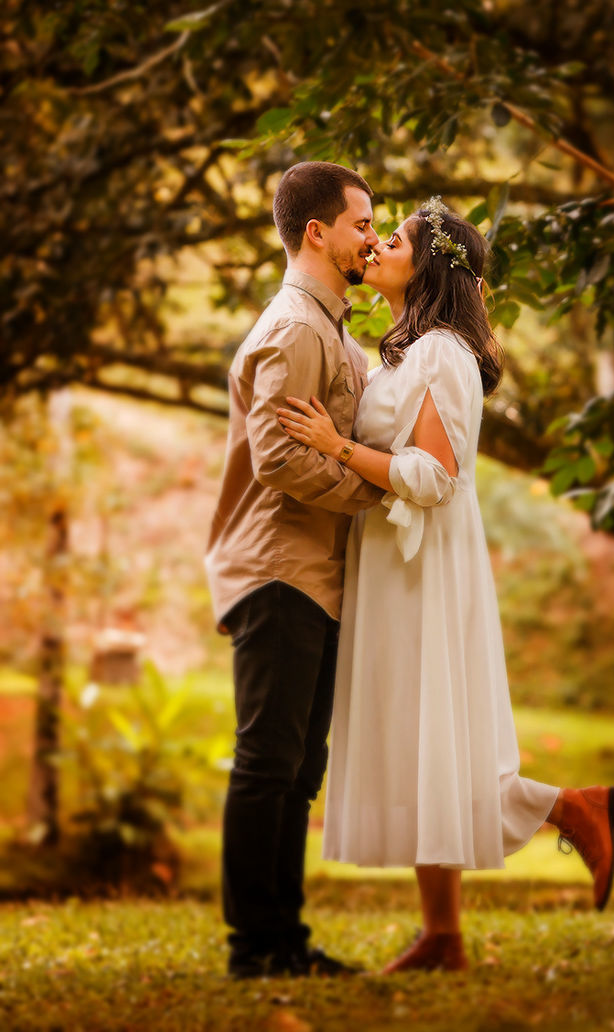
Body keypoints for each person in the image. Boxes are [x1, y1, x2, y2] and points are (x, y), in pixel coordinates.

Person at [276, 196, 614, 975]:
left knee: (431, 736)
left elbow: (430, 476)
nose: (376, 245)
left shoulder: (441, 353)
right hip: (395, 559)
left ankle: (571, 807)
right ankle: (443, 934)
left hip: (423, 564)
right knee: (417, 743)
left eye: (390, 238)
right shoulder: (405, 351)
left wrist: (336, 447)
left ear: (428, 264)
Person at [205, 160, 385, 979]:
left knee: (298, 768)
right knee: (268, 762)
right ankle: (256, 946)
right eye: (361, 224)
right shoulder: (297, 329)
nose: (372, 239)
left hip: (316, 572)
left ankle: (284, 939)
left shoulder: (332, 329)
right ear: (317, 231)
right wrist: (374, 497)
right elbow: (279, 456)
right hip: (280, 568)